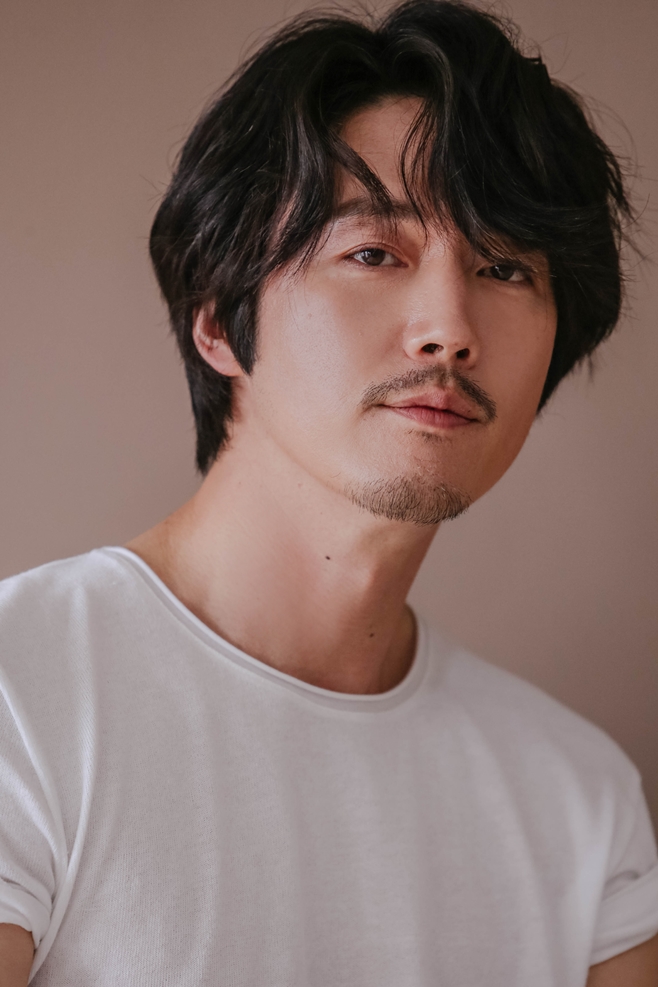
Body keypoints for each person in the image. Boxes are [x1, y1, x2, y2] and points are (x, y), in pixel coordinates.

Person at [1, 0, 657, 983]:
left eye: (503, 266)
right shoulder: (23, 695)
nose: (450, 328)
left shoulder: (582, 800)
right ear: (218, 318)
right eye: (374, 254)